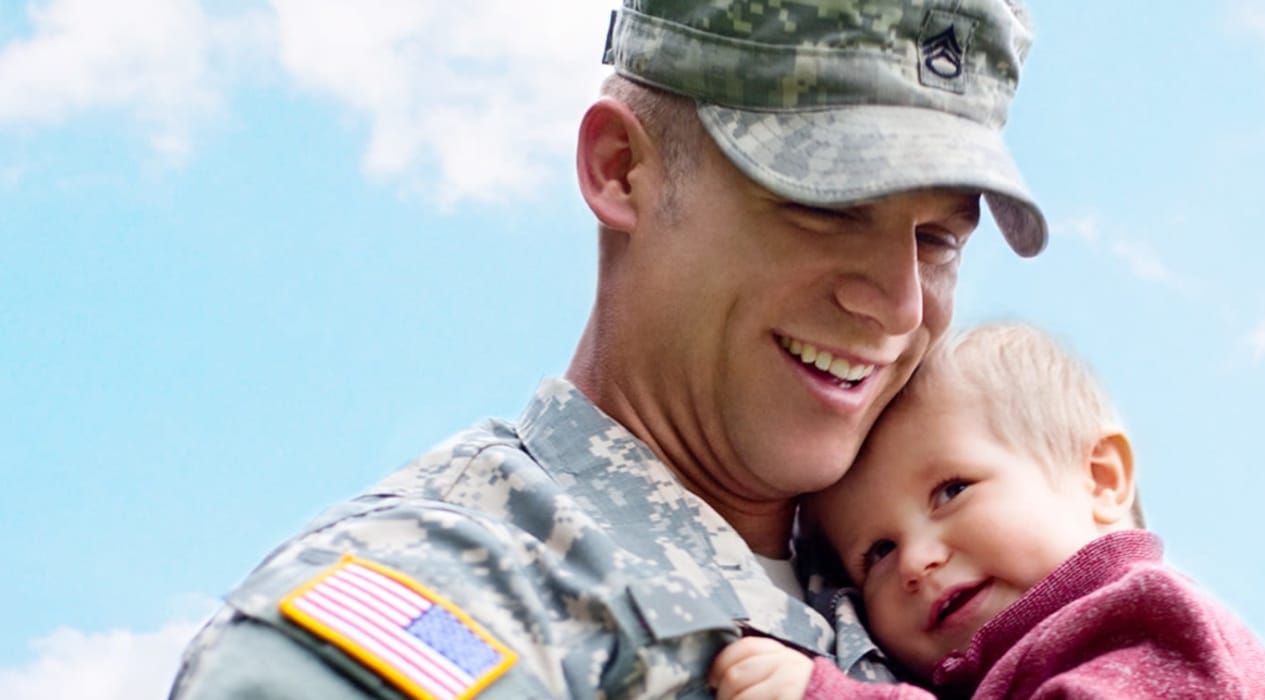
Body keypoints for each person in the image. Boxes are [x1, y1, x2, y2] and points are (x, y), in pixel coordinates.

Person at [171, 0, 1047, 696]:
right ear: (620, 168)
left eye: (938, 240)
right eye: (828, 207)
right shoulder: (447, 600)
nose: (896, 305)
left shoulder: (958, 589)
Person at [709, 324, 1265, 699]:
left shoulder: (1152, 619)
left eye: (951, 491)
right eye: (877, 553)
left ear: (1100, 479)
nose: (915, 561)